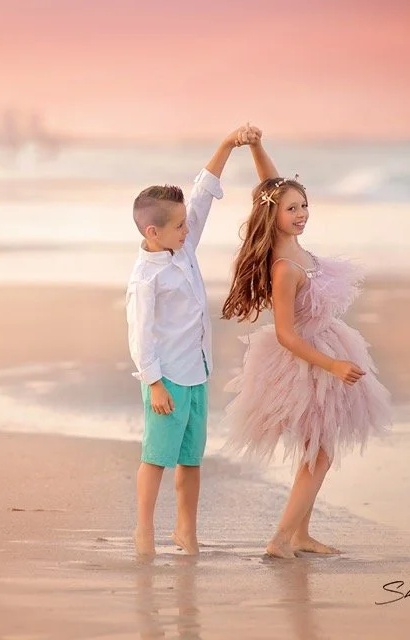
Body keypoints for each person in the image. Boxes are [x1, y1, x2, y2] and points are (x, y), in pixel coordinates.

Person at [220, 130, 392, 559]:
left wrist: (257, 148)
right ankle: (280, 539)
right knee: (318, 455)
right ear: (273, 216)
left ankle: (300, 535)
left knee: (317, 450)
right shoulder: (283, 267)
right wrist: (331, 365)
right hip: (304, 360)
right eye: (292, 209)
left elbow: (271, 188)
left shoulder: (291, 241)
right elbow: (285, 334)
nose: (301, 214)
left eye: (304, 206)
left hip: (326, 346)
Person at [126, 124, 258, 557]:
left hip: (196, 373)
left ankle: (186, 529)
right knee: (156, 457)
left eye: (186, 224)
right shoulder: (146, 278)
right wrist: (154, 382)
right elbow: (140, 334)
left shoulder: (181, 247)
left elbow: (201, 195)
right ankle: (144, 530)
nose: (189, 229)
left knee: (190, 459)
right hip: (167, 380)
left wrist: (227, 145)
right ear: (152, 233)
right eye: (180, 226)